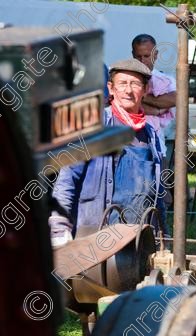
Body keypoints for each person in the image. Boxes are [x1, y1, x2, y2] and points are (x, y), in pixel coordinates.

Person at [50, 59, 165, 244]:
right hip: (93, 234)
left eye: (135, 84)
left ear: (145, 90)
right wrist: (59, 227)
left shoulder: (150, 135)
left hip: (137, 238)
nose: (128, 90)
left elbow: (157, 192)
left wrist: (162, 235)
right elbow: (67, 178)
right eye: (122, 83)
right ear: (111, 88)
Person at [131, 34, 176, 157]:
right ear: (132, 54)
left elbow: (175, 99)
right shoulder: (124, 78)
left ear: (155, 55)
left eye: (146, 56)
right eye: (138, 56)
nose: (142, 61)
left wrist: (140, 96)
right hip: (127, 148)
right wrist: (156, 109)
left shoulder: (165, 80)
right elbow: (122, 104)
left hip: (156, 147)